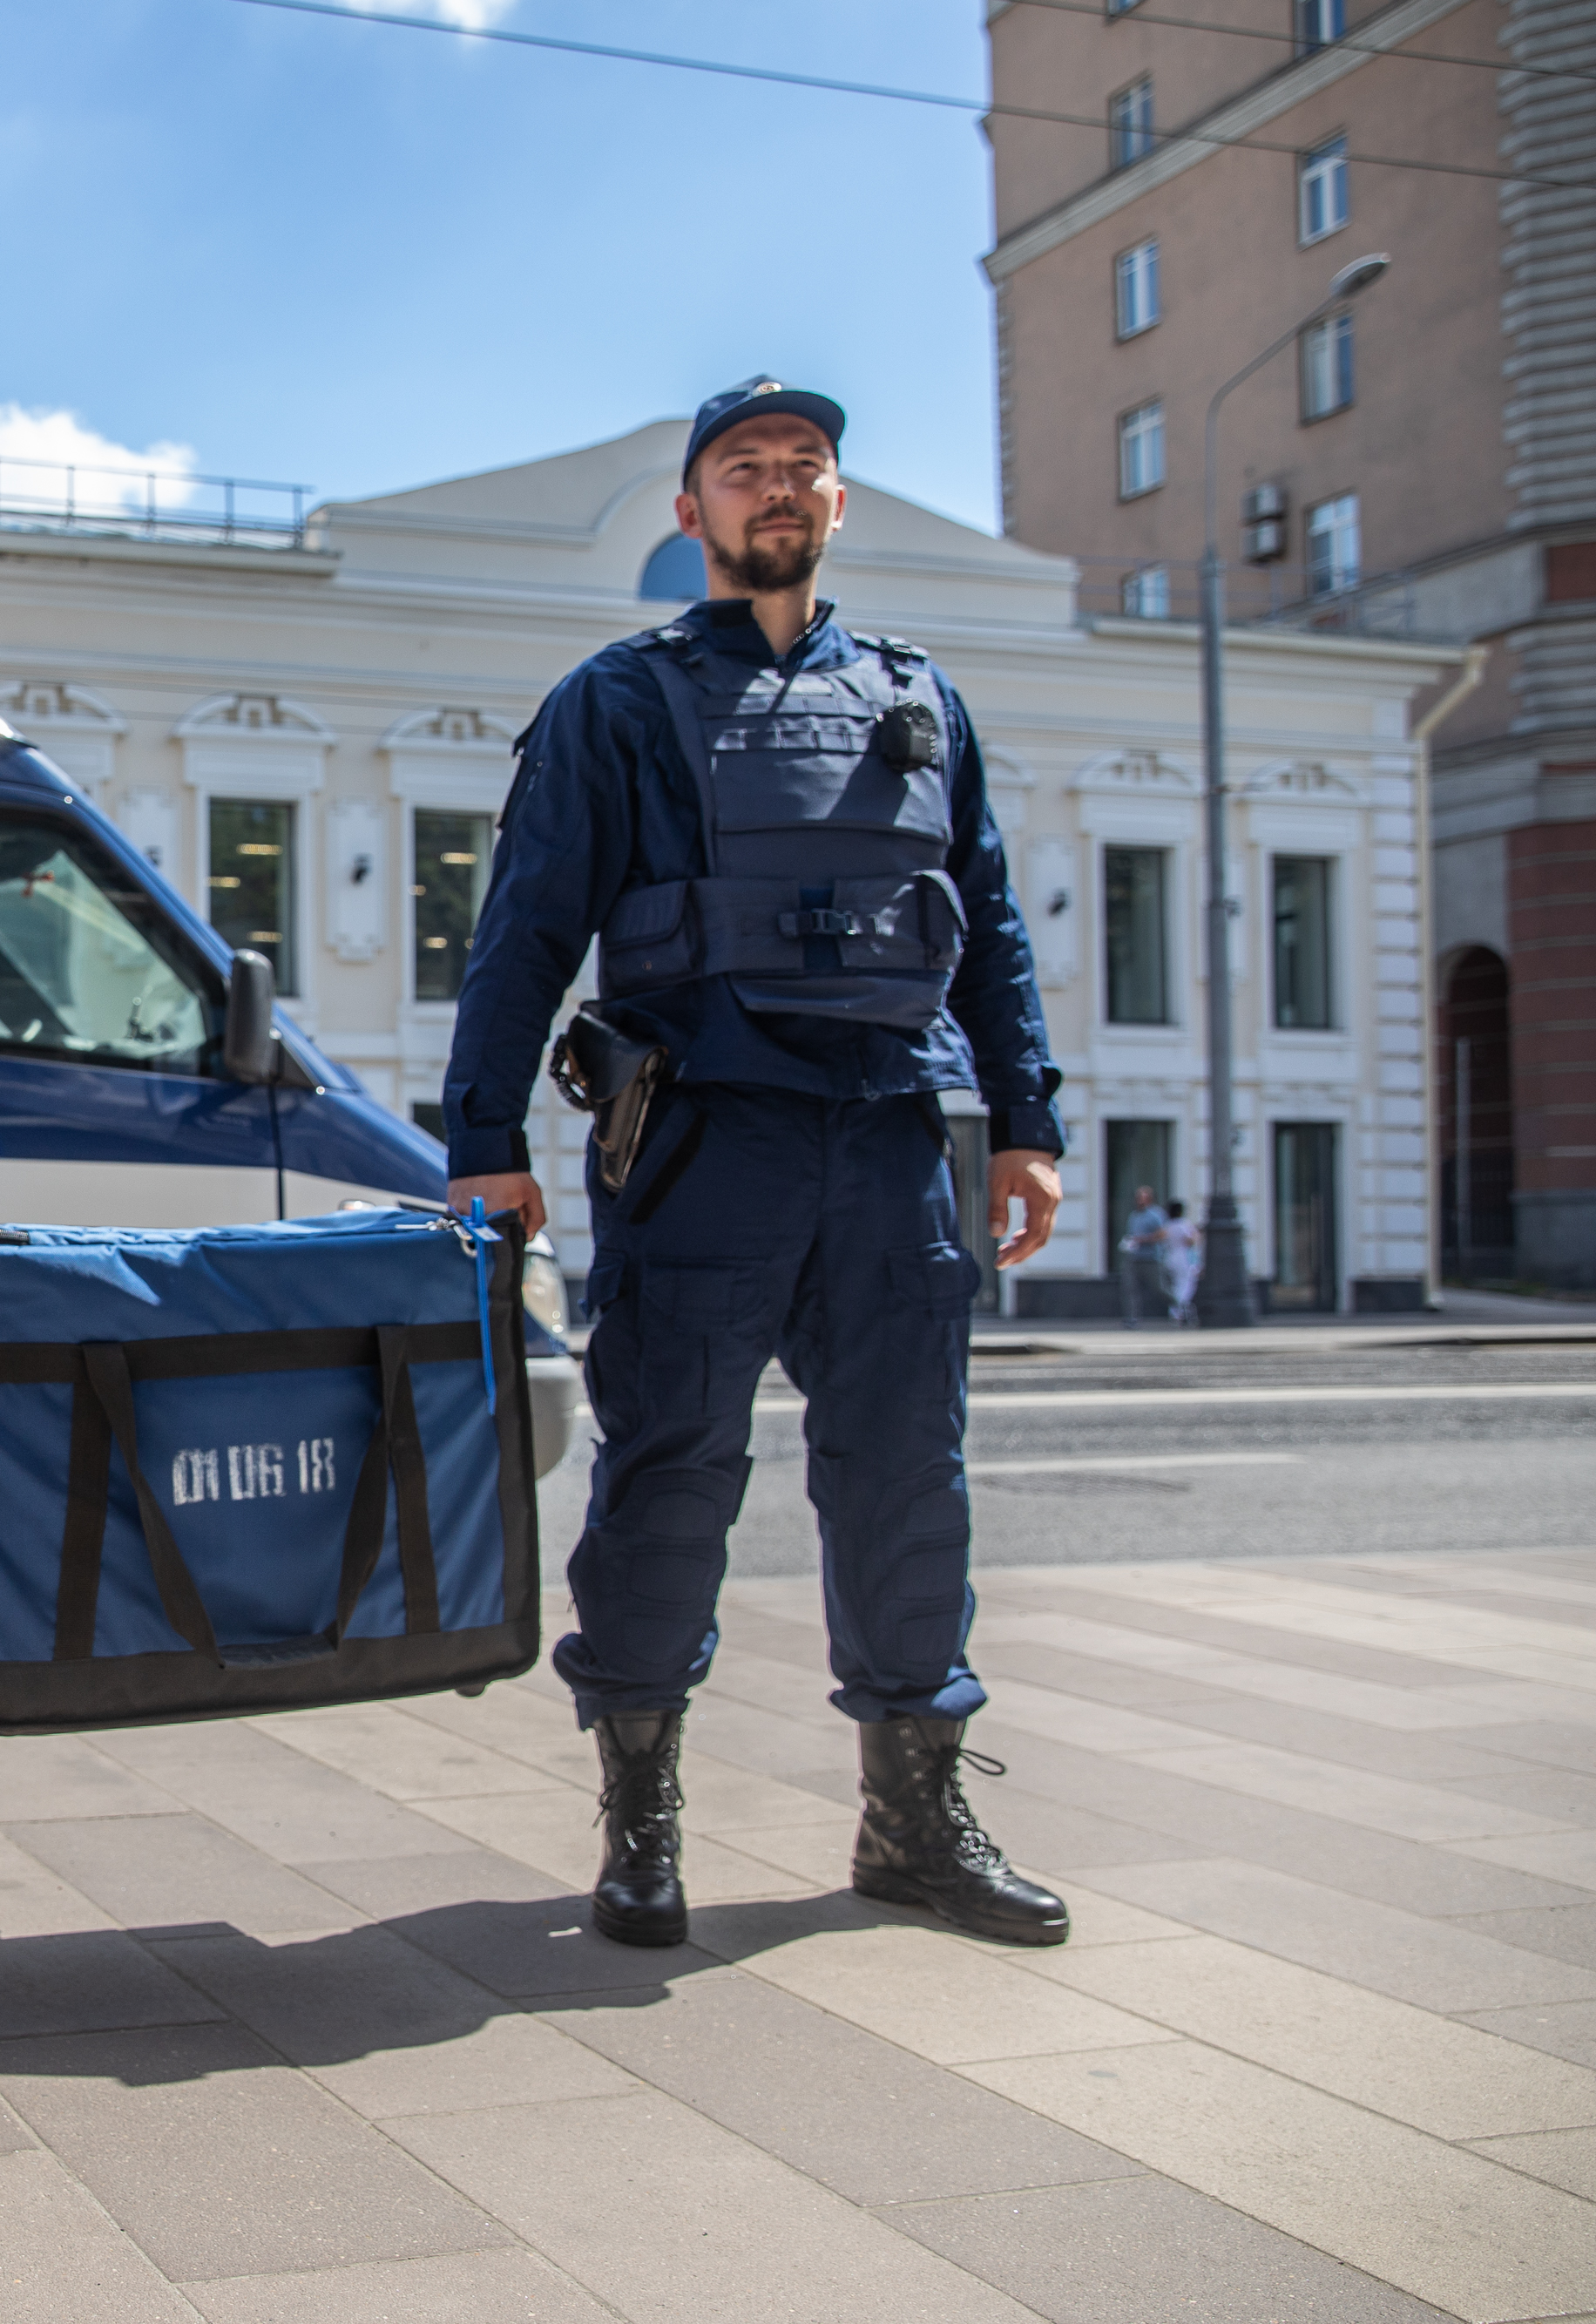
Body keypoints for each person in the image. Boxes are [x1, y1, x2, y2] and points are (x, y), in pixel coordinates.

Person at [443, 376, 1074, 1951]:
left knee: (909, 1486)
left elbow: (984, 924)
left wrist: (1033, 1120)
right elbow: (525, 928)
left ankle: (914, 1823)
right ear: (693, 512)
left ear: (837, 503)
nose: (777, 488)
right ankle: (642, 1825)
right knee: (668, 1480)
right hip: (704, 1136)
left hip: (893, 1140)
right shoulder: (617, 699)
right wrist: (483, 1139)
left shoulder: (920, 698)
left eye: (805, 467)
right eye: (744, 469)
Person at [1119, 1185, 1171, 1329]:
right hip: (1134, 1258)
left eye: (1141, 1197)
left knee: (1160, 1288)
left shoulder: (1155, 1214)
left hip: (1151, 1258)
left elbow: (1162, 1234)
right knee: (1129, 1288)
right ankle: (1131, 1318)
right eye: (1137, 1197)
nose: (1138, 1200)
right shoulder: (1134, 1215)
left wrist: (1143, 1240)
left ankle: (1183, 1307)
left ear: (1149, 1198)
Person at [1161, 1198, 1201, 1326]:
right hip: (1183, 1258)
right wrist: (1196, 1235)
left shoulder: (1167, 1225)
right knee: (1187, 1284)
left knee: (1175, 1285)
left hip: (1170, 1257)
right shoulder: (1183, 1224)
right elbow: (1189, 1241)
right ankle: (1179, 1310)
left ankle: (1176, 1310)